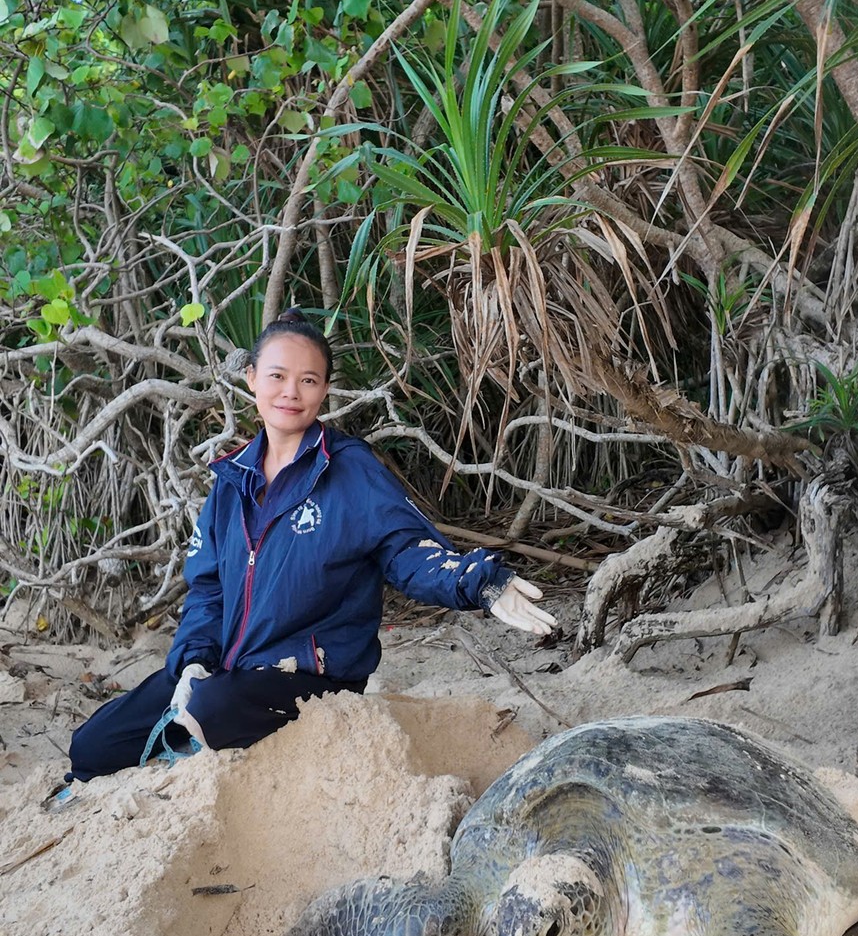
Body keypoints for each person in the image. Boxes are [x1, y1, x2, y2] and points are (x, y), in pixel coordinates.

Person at [46, 308, 556, 809]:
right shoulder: (231, 483)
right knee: (91, 746)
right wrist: (194, 661)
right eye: (278, 376)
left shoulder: (349, 470)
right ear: (251, 379)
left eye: (308, 380)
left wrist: (481, 582)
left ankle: (188, 748)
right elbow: (207, 589)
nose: (291, 392)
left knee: (210, 708)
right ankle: (176, 733)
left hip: (312, 676)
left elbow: (408, 552)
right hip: (225, 669)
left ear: (325, 390)